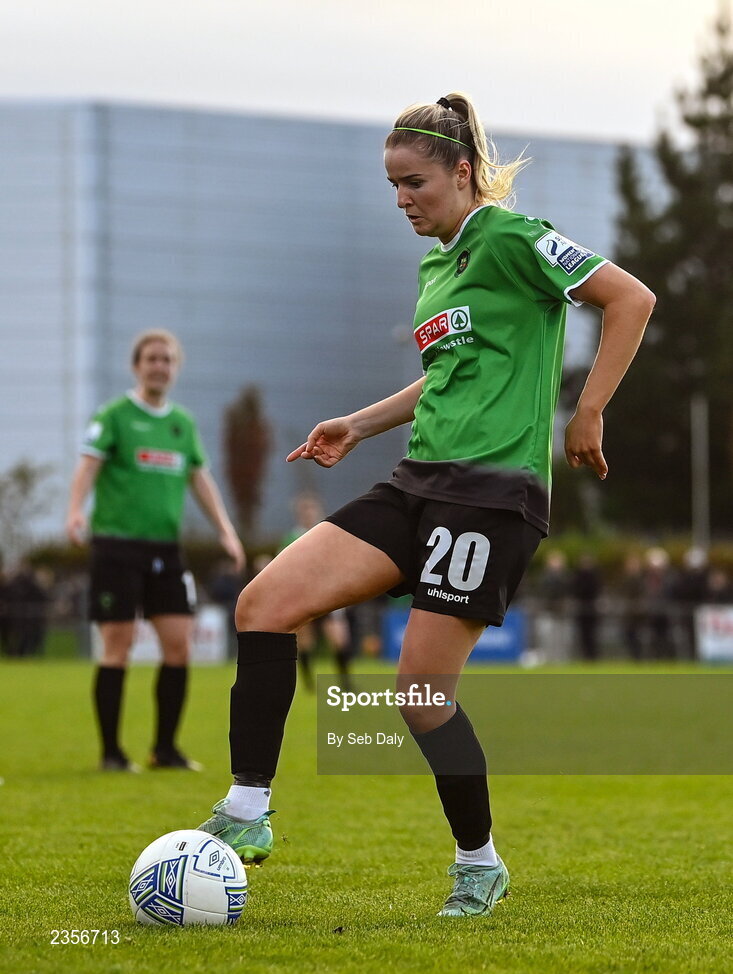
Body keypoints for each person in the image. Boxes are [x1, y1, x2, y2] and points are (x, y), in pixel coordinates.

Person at [197, 92, 655, 917]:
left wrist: (587, 409)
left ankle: (478, 863)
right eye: (392, 186)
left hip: (491, 496)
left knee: (419, 694)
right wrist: (359, 424)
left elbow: (630, 299)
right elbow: (446, 376)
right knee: (265, 603)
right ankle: (245, 813)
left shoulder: (515, 238)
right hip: (416, 482)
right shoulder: (436, 267)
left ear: (462, 171)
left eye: (415, 183)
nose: (402, 200)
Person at [66, 329, 245, 772]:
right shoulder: (114, 416)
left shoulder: (181, 424)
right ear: (136, 365)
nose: (159, 366)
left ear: (175, 367)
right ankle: (112, 753)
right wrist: (75, 511)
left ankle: (165, 749)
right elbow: (87, 467)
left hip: (165, 550)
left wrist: (225, 529)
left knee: (178, 647)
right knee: (117, 647)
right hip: (116, 547)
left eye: (166, 359)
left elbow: (200, 479)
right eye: (151, 359)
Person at [278, 493, 353, 691]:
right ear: (299, 514)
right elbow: (283, 566)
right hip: (304, 594)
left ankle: (345, 682)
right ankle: (309, 683)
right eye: (306, 511)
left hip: (329, 594)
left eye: (312, 510)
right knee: (306, 641)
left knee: (338, 638)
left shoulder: (328, 532)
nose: (309, 514)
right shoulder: (292, 537)